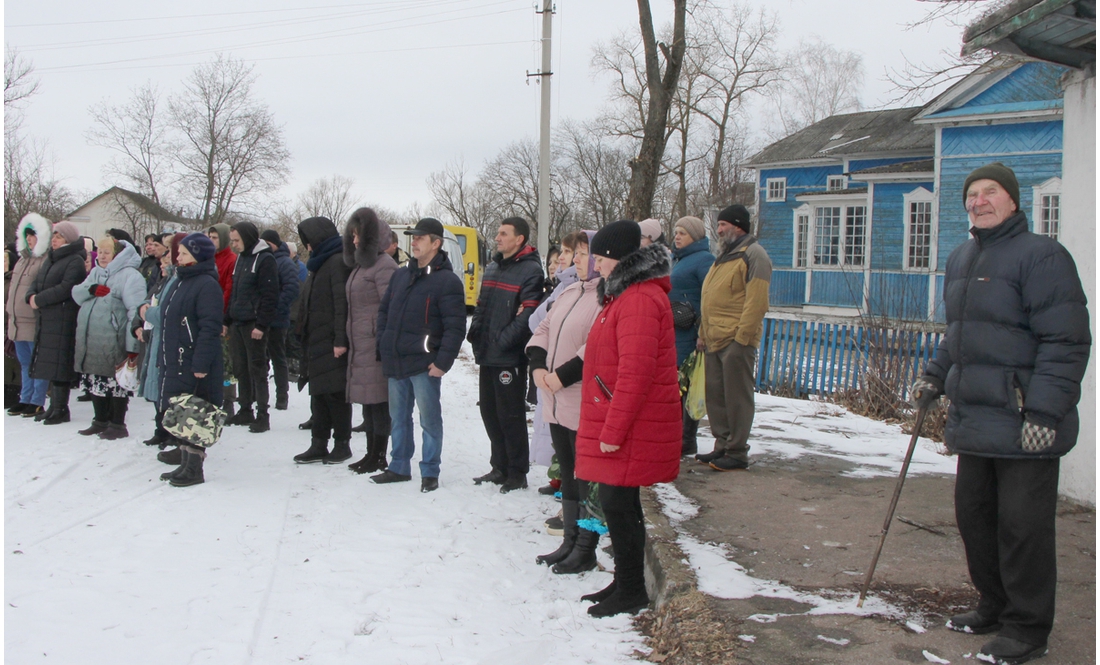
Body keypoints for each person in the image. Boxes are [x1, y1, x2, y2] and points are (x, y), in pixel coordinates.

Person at [910, 163, 1090, 665]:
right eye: (971, 193)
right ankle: (994, 605)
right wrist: (935, 374)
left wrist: (1045, 414)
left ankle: (1028, 627)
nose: (979, 200)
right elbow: (960, 334)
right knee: (976, 520)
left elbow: (1067, 341)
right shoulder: (964, 256)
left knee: (1023, 527)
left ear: (1012, 201)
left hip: (1024, 421)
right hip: (976, 420)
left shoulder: (1042, 256)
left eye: (990, 192)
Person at [574, 220, 681, 617]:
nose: (595, 266)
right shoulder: (623, 295)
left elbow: (635, 374)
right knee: (620, 504)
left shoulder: (637, 299)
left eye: (600, 259)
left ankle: (632, 589)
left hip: (629, 427)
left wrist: (612, 430)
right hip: (622, 421)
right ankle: (626, 581)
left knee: (618, 504)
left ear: (618, 259)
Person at [528, 230, 603, 574]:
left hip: (579, 398)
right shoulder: (570, 290)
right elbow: (541, 329)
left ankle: (585, 548)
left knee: (585, 475)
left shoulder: (607, 297)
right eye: (577, 254)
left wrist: (561, 377)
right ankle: (569, 541)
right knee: (569, 474)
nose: (577, 259)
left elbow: (596, 347)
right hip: (554, 399)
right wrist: (538, 368)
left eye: (585, 253)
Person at [372, 217, 466, 491]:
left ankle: (430, 471)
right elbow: (384, 312)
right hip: (396, 361)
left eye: (420, 237)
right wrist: (384, 343)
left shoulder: (447, 281)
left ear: (436, 243)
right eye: (413, 237)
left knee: (429, 420)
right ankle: (399, 466)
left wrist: (442, 363)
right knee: (398, 418)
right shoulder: (401, 275)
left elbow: (455, 327)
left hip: (425, 365)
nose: (414, 242)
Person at [467, 217, 544, 492]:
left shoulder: (531, 270)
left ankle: (517, 472)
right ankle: (498, 466)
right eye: (498, 233)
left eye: (503, 234)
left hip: (509, 357)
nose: (497, 238)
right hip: (487, 352)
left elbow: (528, 316)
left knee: (509, 415)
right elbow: (480, 304)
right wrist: (475, 332)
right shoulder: (492, 267)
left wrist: (502, 342)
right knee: (489, 412)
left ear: (519, 239)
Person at [696, 204, 771, 471]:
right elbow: (709, 298)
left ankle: (737, 452)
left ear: (738, 226)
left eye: (722, 225)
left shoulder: (754, 254)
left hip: (736, 341)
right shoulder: (724, 256)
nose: (718, 231)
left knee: (737, 397)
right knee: (716, 396)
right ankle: (722, 446)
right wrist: (703, 333)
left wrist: (742, 338)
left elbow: (757, 301)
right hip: (714, 339)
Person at [156, 233, 224, 487]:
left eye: (184, 253)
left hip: (195, 360)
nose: (177, 257)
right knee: (182, 410)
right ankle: (184, 462)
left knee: (197, 410)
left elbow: (210, 326)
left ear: (198, 256)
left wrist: (201, 364)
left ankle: (195, 468)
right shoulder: (181, 280)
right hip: (178, 357)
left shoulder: (206, 284)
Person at [291, 217, 354, 464]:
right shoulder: (318, 262)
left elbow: (342, 305)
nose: (307, 247)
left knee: (335, 394)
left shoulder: (337, 261)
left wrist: (340, 340)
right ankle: (318, 443)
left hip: (331, 341)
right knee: (318, 394)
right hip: (316, 338)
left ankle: (342, 444)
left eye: (308, 241)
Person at [71, 236, 146, 439]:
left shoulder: (131, 276)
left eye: (107, 252)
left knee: (116, 382)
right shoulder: (96, 272)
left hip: (116, 338)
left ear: (118, 255)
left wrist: (132, 344)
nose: (102, 256)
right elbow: (76, 294)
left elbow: (135, 311)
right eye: (100, 251)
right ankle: (100, 420)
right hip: (93, 337)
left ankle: (117, 423)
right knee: (96, 379)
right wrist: (90, 289)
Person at [341, 208, 398, 473]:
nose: (354, 241)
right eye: (352, 236)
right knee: (368, 402)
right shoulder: (361, 266)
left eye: (358, 236)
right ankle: (370, 453)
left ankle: (379, 455)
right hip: (361, 344)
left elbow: (392, 306)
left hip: (376, 346)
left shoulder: (385, 265)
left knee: (379, 403)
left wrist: (379, 337)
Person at [528, 233, 580, 482]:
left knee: (571, 441)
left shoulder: (578, 287)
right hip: (551, 368)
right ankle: (559, 481)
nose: (561, 257)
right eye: (563, 251)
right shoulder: (561, 286)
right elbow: (535, 322)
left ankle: (567, 489)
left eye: (568, 252)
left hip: (570, 374)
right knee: (555, 433)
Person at [25, 221, 87, 425]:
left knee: (61, 363)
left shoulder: (74, 260)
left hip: (63, 318)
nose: (54, 239)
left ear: (68, 239)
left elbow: (67, 288)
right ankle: (54, 406)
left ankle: (61, 408)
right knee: (51, 362)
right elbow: (36, 281)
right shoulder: (51, 259)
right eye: (54, 236)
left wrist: (39, 299)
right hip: (48, 318)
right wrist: (31, 295)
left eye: (59, 236)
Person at [223, 221, 278, 433]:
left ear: (247, 238)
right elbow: (235, 292)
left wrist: (262, 324)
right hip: (237, 322)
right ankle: (245, 409)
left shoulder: (265, 260)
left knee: (257, 370)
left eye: (236, 240)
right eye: (232, 240)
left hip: (254, 325)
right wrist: (226, 320)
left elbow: (270, 295)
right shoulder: (240, 259)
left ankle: (263, 414)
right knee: (239, 369)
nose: (234, 244)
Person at [134, 233, 186, 448]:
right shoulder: (166, 277)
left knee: (168, 387)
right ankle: (160, 429)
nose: (163, 257)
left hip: (168, 340)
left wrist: (149, 313)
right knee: (157, 384)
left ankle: (172, 433)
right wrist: (141, 313)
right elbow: (151, 298)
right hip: (155, 337)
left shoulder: (178, 279)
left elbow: (166, 311)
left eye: (168, 251)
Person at [668, 216, 714, 455]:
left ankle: (687, 439)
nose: (677, 236)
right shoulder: (678, 259)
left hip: (690, 329)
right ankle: (676, 435)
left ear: (695, 236)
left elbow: (710, 296)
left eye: (683, 233)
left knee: (685, 383)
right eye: (676, 231)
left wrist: (702, 330)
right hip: (674, 328)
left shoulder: (705, 260)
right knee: (675, 383)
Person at [6, 213, 51, 418]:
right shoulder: (23, 260)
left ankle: (37, 400)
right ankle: (25, 398)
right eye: (27, 235)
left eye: (33, 235)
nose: (30, 239)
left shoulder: (44, 260)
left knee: (37, 361)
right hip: (16, 319)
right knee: (24, 361)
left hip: (33, 318)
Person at [260, 229, 301, 411]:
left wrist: (275, 308)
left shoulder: (285, 263)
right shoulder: (264, 260)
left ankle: (282, 396)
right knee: (261, 358)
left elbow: (291, 289)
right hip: (261, 318)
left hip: (277, 319)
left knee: (278, 358)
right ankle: (259, 395)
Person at [207, 223, 238, 415]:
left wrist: (223, 317)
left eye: (215, 237)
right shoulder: (208, 259)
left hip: (222, 317)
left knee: (226, 363)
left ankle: (228, 400)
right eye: (209, 237)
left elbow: (228, 290)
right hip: (207, 316)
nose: (211, 241)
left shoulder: (231, 259)